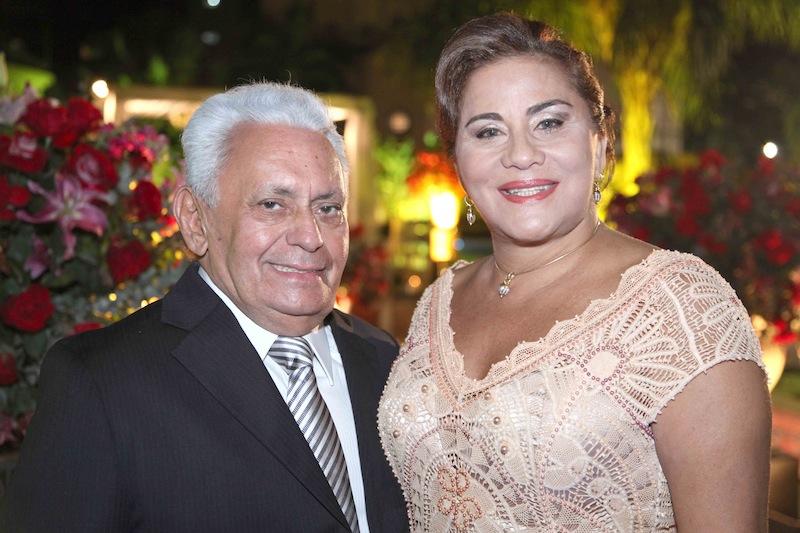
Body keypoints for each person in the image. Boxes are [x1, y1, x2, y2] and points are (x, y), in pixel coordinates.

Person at [378, 13, 770, 533]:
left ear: (600, 140)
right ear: (458, 163)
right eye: (488, 131)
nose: (521, 155)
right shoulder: (438, 300)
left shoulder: (682, 311)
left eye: (549, 123)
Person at [2, 82, 408, 533]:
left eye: (328, 208)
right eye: (272, 204)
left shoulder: (385, 360)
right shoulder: (100, 383)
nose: (310, 236)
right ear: (195, 221)